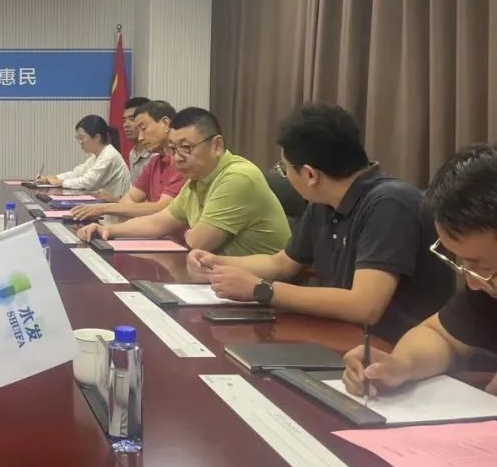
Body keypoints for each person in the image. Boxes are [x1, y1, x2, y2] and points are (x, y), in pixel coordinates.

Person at [189, 104, 453, 342]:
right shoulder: (322, 203)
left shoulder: (390, 204)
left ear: (310, 174)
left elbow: (365, 306)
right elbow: (281, 263)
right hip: (343, 337)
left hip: (393, 351)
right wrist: (216, 263)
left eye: (284, 168)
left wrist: (262, 290)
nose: (284, 175)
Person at [343, 144, 497, 396]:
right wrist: (400, 365)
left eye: (484, 267)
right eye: (462, 262)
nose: (473, 283)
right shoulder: (486, 286)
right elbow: (440, 335)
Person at [77, 107, 290, 256]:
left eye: (186, 148)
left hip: (262, 289)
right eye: (172, 149)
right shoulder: (196, 180)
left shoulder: (237, 177)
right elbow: (158, 222)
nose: (176, 158)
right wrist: (108, 231)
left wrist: (189, 233)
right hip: (220, 278)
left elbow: (198, 242)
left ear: (216, 145)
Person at [71, 100, 184, 221]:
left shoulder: (181, 163)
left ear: (165, 123)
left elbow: (162, 208)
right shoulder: (155, 162)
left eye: (144, 129)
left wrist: (104, 208)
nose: (140, 137)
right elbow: (130, 199)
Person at [35, 115, 130, 199]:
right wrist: (52, 178)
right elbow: (77, 173)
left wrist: (60, 182)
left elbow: (87, 182)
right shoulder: (97, 156)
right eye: (78, 138)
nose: (80, 142)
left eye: (82, 137)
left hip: (118, 209)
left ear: (97, 137)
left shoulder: (109, 155)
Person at [98, 96, 151, 202]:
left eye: (132, 119)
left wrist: (116, 201)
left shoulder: (156, 154)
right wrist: (116, 199)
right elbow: (134, 195)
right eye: (124, 120)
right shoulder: (133, 153)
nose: (126, 125)